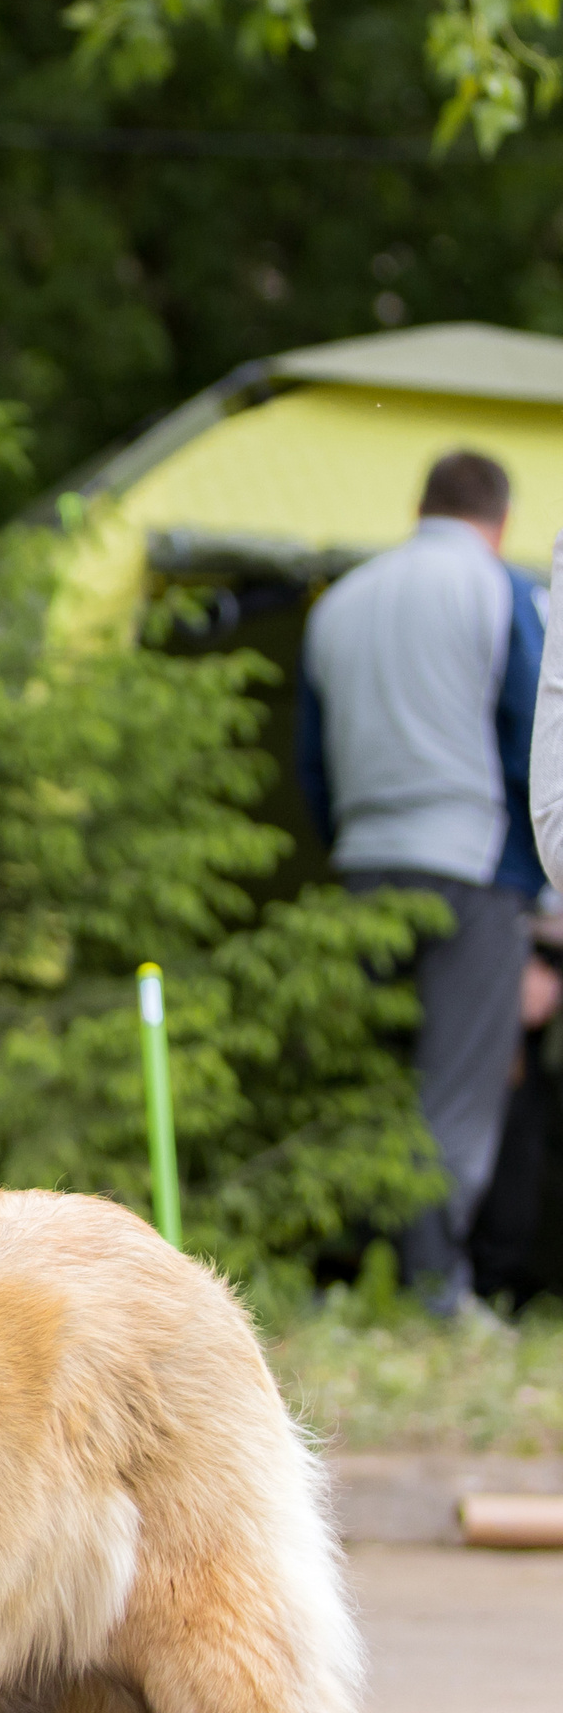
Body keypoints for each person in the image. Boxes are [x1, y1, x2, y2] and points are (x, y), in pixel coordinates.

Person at [299, 448, 544, 1316]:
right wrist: (538, 888)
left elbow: (313, 760)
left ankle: (348, 1273)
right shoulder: (501, 589)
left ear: (421, 507)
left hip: (365, 866)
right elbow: (534, 738)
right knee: (458, 1090)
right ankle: (437, 1291)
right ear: (499, 520)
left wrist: (348, 845)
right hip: (473, 869)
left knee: (371, 1078)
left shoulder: (342, 601)